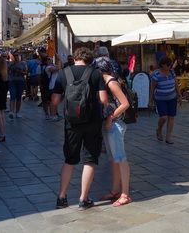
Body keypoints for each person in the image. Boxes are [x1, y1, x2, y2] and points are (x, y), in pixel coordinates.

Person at [51, 47, 108, 211]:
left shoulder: (63, 73)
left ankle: (62, 197)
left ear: (74, 58)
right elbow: (103, 99)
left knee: (69, 160)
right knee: (90, 160)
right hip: (92, 122)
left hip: (71, 123)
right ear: (90, 60)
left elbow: (55, 101)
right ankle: (83, 199)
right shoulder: (95, 73)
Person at [94, 57, 132, 207]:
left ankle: (125, 194)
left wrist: (110, 118)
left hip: (115, 124)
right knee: (113, 160)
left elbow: (125, 104)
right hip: (110, 123)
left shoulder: (111, 82)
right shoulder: (106, 82)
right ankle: (115, 190)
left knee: (121, 159)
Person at [149, 56, 182, 144]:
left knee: (171, 117)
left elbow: (176, 84)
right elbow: (152, 88)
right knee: (163, 117)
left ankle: (168, 137)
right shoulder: (157, 74)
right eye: (167, 65)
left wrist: (179, 95)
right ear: (162, 65)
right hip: (160, 98)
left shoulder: (172, 72)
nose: (169, 66)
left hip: (172, 97)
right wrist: (150, 100)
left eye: (170, 65)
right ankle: (159, 130)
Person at [8, 53, 27, 119]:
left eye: (17, 55)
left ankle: (17, 112)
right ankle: (11, 111)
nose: (16, 57)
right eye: (15, 55)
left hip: (20, 81)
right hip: (12, 81)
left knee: (18, 97)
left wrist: (20, 72)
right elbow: (7, 71)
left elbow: (26, 72)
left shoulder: (22, 63)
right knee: (12, 95)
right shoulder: (10, 63)